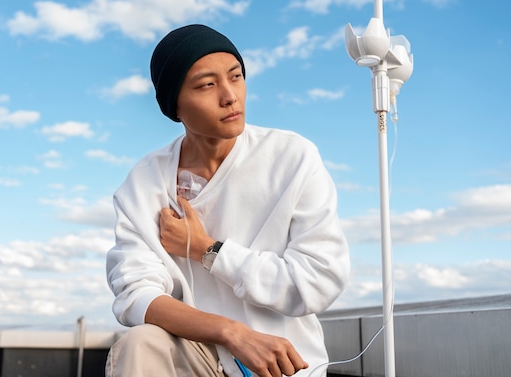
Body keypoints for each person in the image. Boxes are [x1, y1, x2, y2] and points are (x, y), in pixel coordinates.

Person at [105, 24, 350, 377]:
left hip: (282, 364)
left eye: (236, 77)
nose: (230, 96)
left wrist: (208, 250)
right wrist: (232, 333)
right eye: (207, 85)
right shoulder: (144, 183)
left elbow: (317, 282)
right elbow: (135, 295)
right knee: (139, 344)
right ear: (174, 105)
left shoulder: (292, 158)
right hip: (197, 355)